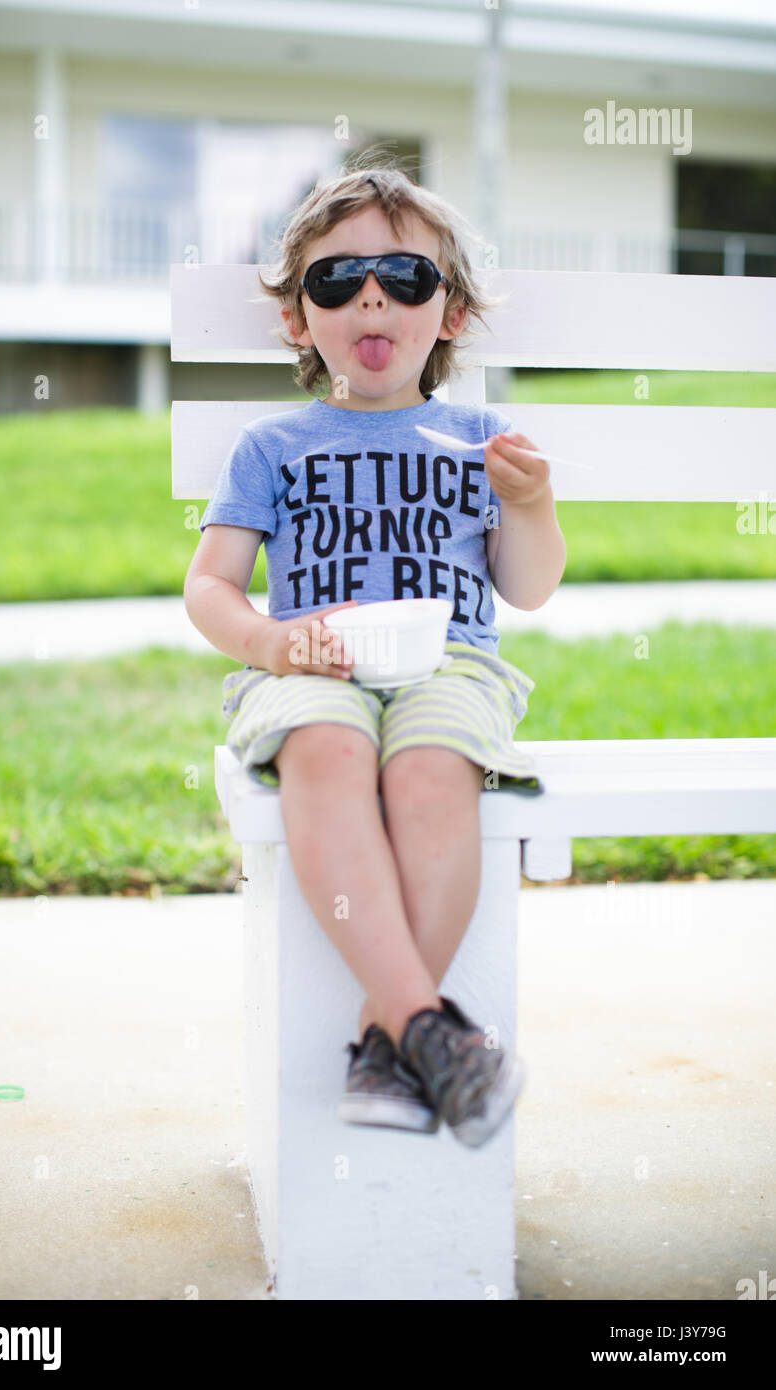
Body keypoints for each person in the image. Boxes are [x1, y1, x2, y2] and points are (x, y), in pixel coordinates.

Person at [183, 159, 566, 1150]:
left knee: (434, 772)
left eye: (405, 278)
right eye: (335, 278)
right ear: (294, 318)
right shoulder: (270, 447)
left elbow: (526, 587)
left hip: (450, 667)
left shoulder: (481, 438)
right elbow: (209, 585)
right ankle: (430, 1033)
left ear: (447, 313)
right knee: (325, 752)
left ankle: (387, 1039)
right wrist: (268, 640)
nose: (370, 296)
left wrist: (527, 505)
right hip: (311, 665)